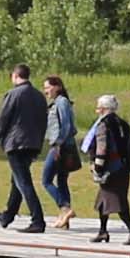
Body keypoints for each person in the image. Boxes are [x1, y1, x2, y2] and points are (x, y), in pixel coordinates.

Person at [0, 65, 48, 234]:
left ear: (15, 76)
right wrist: (38, 145)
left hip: (16, 143)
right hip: (32, 143)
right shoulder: (39, 96)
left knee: (23, 182)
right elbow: (43, 122)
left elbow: (3, 119)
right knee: (18, 180)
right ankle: (8, 215)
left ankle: (38, 220)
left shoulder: (13, 94)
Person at [84, 93, 130, 245]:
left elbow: (102, 148)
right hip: (123, 168)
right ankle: (103, 232)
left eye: (98, 108)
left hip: (111, 169)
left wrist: (97, 167)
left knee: (118, 202)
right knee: (104, 201)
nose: (96, 111)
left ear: (103, 109)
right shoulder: (123, 124)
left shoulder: (103, 125)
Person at [44, 75, 81, 211]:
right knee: (61, 181)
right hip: (63, 145)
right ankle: (65, 216)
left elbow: (66, 126)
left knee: (46, 180)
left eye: (48, 87)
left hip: (61, 147)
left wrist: (58, 143)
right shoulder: (56, 103)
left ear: (58, 87)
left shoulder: (62, 102)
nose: (45, 91)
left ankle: (65, 207)